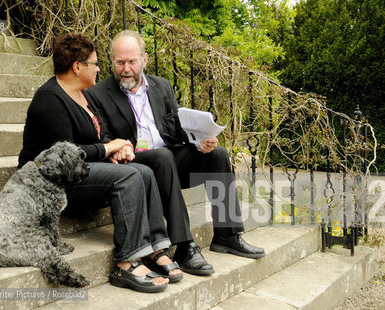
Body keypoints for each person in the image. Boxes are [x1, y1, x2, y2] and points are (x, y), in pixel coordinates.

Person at [88, 30, 266, 276]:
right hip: (136, 164)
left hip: (169, 160)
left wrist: (199, 142)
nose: (126, 68)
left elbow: (175, 128)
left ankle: (227, 235)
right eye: (120, 62)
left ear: (145, 60)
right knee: (163, 157)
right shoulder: (98, 94)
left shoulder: (161, 86)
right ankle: (183, 246)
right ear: (112, 62)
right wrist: (119, 149)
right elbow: (104, 138)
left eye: (132, 61)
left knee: (218, 155)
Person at [18, 33, 182, 293]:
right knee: (128, 177)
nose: (99, 69)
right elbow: (65, 156)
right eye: (94, 63)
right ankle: (126, 263)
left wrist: (115, 150)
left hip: (81, 171)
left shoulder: (85, 95)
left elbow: (101, 134)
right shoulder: (50, 99)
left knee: (144, 171)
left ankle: (154, 248)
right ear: (77, 66)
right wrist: (107, 148)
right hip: (52, 183)